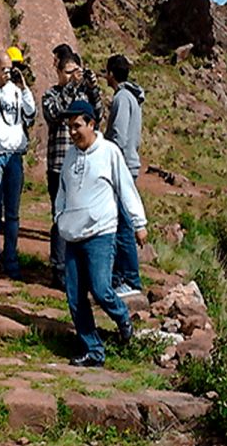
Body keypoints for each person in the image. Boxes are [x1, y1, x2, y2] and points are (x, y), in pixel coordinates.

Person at [55, 101, 148, 368]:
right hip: (73, 234)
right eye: (69, 127)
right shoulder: (71, 155)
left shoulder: (110, 152)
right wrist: (59, 216)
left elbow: (126, 188)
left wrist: (139, 223)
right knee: (74, 296)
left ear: (92, 124)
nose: (72, 132)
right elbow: (63, 190)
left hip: (100, 233)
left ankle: (122, 318)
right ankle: (93, 350)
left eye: (77, 126)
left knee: (100, 288)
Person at [41, 44, 104, 289]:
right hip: (59, 166)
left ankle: (80, 269)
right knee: (60, 218)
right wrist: (71, 86)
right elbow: (55, 113)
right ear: (58, 71)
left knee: (83, 215)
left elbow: (98, 115)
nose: (72, 76)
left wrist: (93, 89)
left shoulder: (84, 95)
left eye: (76, 71)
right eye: (68, 72)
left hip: (84, 166)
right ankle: (58, 269)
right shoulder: (52, 94)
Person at [0, 49, 36, 280]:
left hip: (14, 158)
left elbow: (31, 113)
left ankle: (11, 260)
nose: (7, 73)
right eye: (3, 69)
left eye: (10, 69)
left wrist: (24, 87)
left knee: (12, 213)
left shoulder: (17, 90)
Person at [104, 54, 146, 297]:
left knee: (123, 224)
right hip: (131, 163)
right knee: (122, 221)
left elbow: (118, 135)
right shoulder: (133, 97)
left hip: (122, 167)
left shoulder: (121, 97)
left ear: (111, 73)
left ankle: (129, 279)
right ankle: (121, 277)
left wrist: (108, 158)